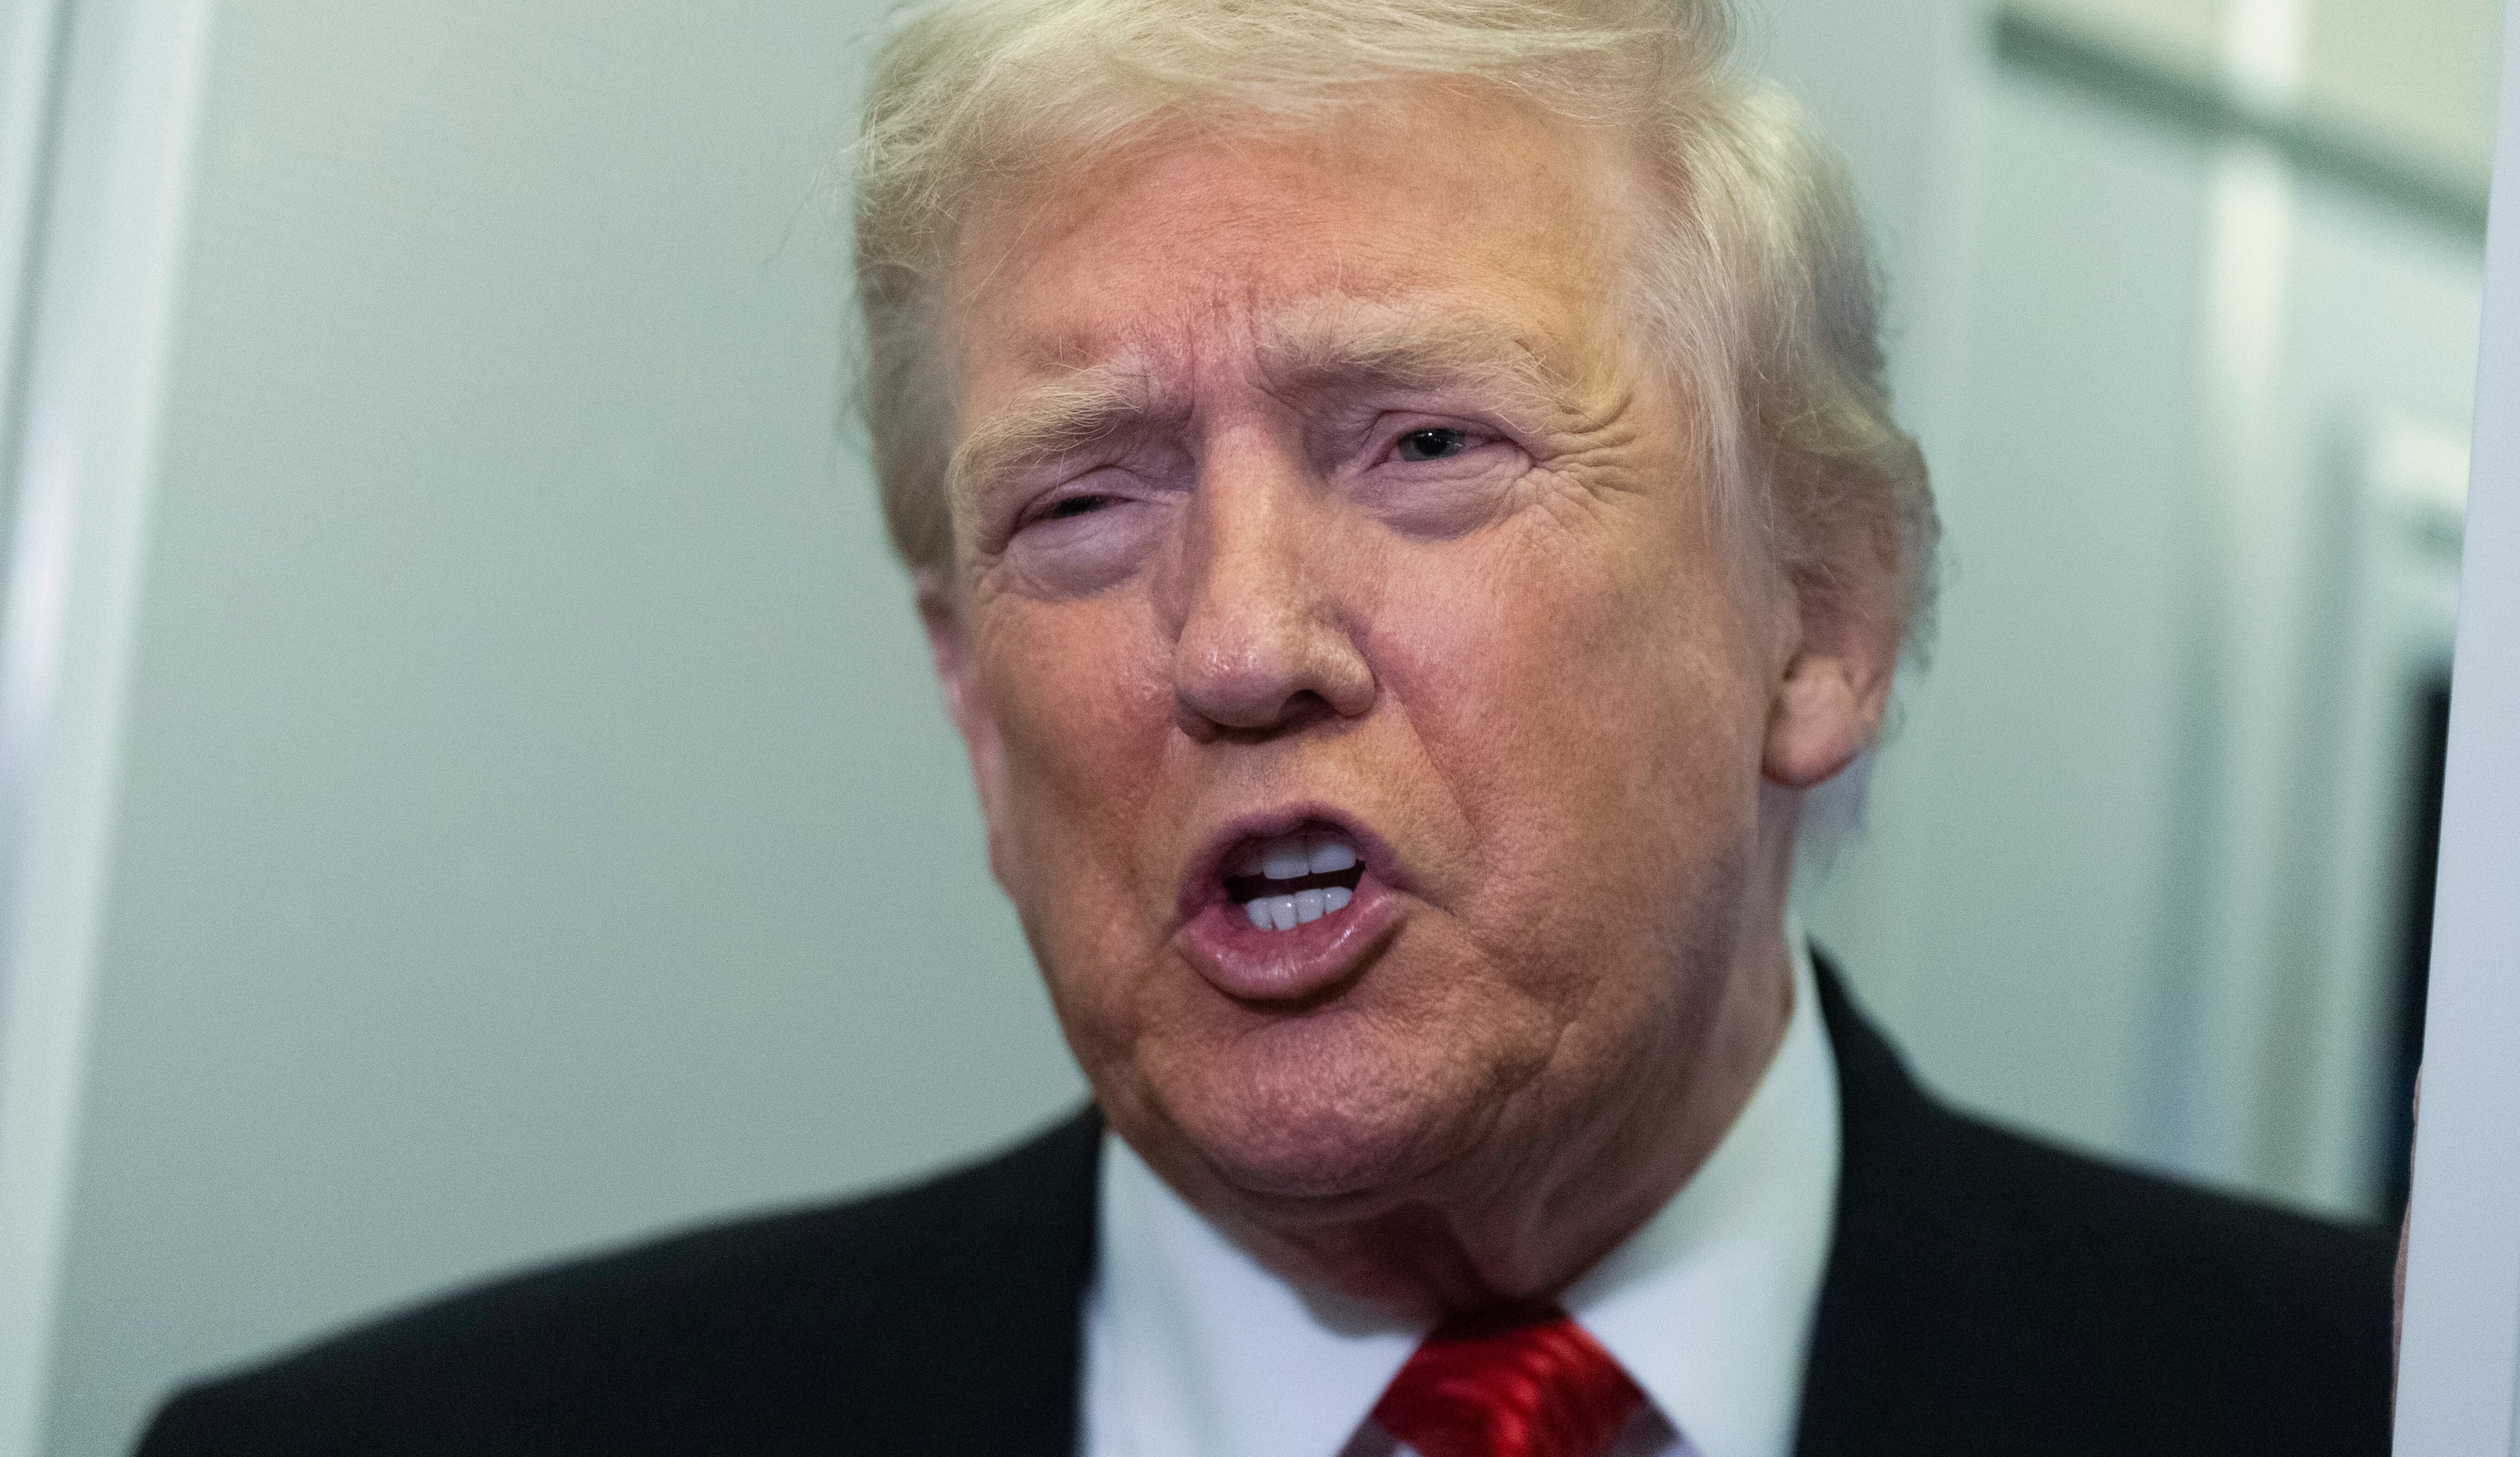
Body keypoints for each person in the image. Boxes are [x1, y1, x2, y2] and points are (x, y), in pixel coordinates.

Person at [135, 0, 2395, 1450]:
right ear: (970, 708)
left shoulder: (2407, 1409)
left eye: (1425, 445)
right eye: (1082, 504)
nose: (1234, 643)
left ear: (1821, 615)